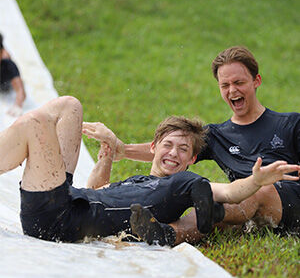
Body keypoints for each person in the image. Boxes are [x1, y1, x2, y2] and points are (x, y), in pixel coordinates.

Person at [0, 96, 298, 243]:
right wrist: (106, 153)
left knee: (33, 124)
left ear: (192, 160)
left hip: (53, 221)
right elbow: (93, 191)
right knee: (69, 105)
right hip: (64, 199)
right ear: (153, 147)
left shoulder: (185, 184)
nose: (174, 153)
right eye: (168, 145)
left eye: (184, 150)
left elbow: (232, 192)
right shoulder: (137, 180)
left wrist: (256, 180)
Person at [114, 46, 300, 246]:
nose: (232, 90)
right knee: (210, 211)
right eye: (225, 85)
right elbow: (170, 149)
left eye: (239, 82)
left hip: (288, 203)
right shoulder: (217, 135)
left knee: (257, 189)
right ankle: (166, 234)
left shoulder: (290, 123)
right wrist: (123, 150)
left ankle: (216, 210)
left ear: (256, 81)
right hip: (242, 206)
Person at [0, 33, 26, 117]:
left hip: (6, 87)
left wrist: (17, 105)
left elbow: (20, 90)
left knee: (7, 57)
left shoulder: (8, 65)